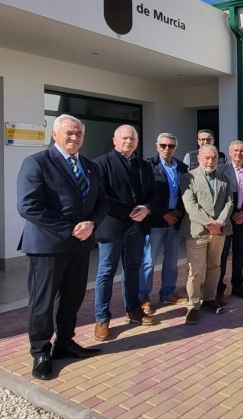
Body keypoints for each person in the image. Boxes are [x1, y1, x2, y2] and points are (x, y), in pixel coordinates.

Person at [17, 114, 107, 380]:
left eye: (79, 133)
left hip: (80, 246)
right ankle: (40, 351)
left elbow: (102, 202)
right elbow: (28, 206)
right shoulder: (37, 163)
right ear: (54, 134)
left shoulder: (90, 166)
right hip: (47, 246)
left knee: (72, 298)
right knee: (42, 302)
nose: (74, 137)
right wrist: (69, 228)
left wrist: (92, 223)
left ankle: (65, 343)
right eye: (69, 132)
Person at [92, 125, 158, 342]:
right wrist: (130, 212)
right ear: (115, 140)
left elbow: (154, 193)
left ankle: (133, 310)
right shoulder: (101, 164)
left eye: (132, 138)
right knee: (106, 273)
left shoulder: (144, 165)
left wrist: (147, 208)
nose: (128, 142)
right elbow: (101, 196)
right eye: (125, 138)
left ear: (137, 142)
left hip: (137, 228)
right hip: (113, 228)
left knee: (132, 270)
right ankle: (102, 319)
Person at [180, 145, 234, 324]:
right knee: (195, 271)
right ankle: (192, 306)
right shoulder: (188, 178)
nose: (211, 161)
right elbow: (190, 205)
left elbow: (229, 203)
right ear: (199, 158)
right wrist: (208, 223)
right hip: (197, 231)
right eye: (207, 158)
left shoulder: (224, 179)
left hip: (219, 231)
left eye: (214, 158)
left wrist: (219, 222)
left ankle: (209, 300)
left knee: (215, 267)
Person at [139, 133, 189, 316]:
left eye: (171, 145)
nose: (167, 148)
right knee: (148, 261)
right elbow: (147, 194)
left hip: (175, 222)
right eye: (163, 145)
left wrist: (180, 211)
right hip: (155, 222)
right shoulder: (147, 166)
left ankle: (167, 293)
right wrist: (163, 214)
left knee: (172, 260)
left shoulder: (183, 168)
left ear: (176, 148)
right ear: (157, 146)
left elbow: (187, 193)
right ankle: (143, 297)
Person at [215, 140, 243, 304]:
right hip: (225, 220)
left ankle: (238, 286)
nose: (239, 153)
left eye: (242, 151)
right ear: (229, 152)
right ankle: (218, 289)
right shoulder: (220, 170)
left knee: (239, 253)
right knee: (222, 255)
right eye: (236, 150)